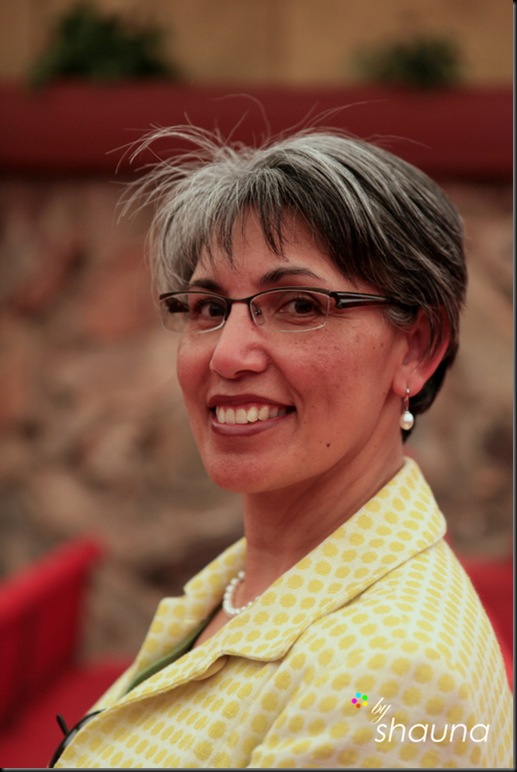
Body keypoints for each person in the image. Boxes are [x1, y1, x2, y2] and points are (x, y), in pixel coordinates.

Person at [51, 126, 512, 768]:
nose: (227, 354)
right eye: (208, 307)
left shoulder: (386, 682)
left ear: (417, 347)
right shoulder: (252, 581)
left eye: (298, 305)